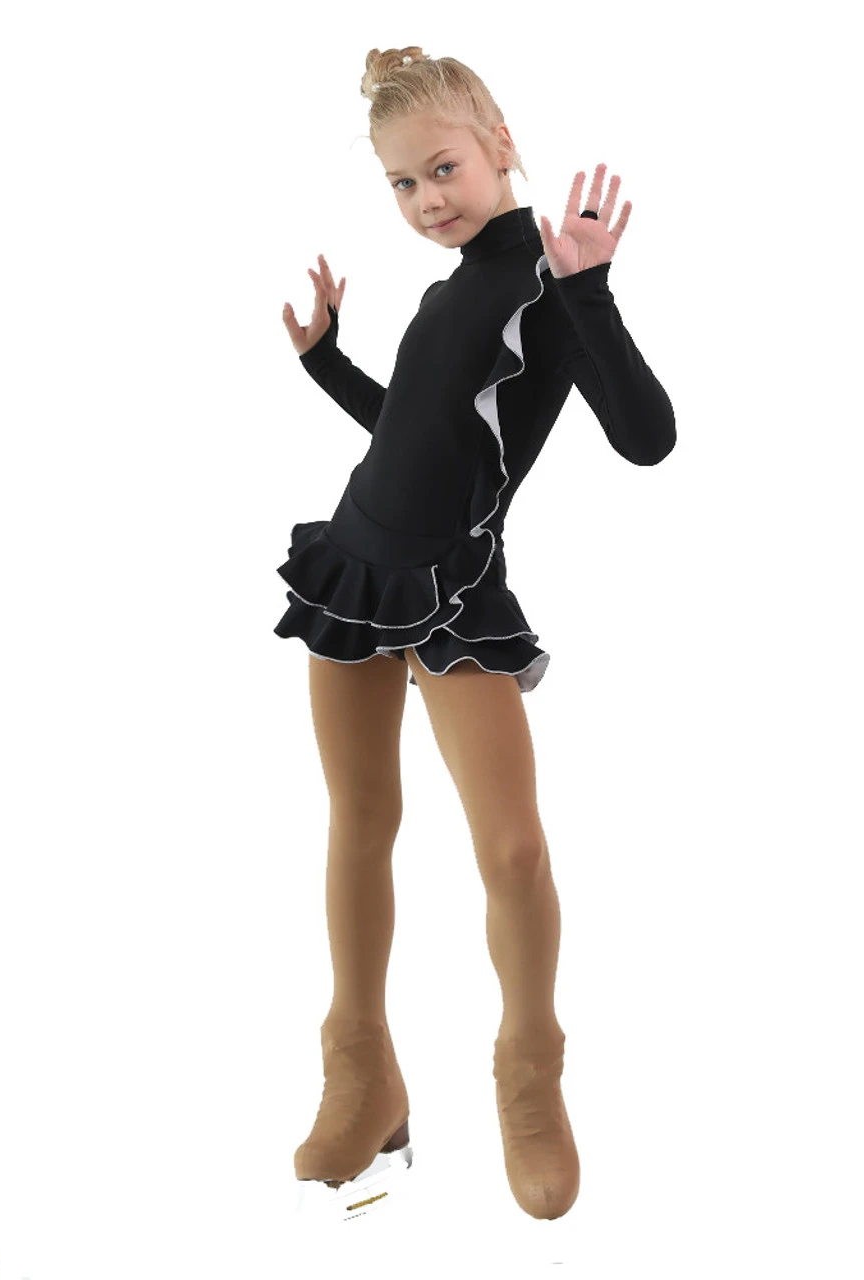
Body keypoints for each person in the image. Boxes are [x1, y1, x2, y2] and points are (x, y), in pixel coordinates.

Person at [278, 46, 676, 1221]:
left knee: (510, 850)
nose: (425, 200)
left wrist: (590, 288)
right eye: (401, 184)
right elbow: (408, 432)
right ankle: (361, 1067)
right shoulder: (444, 293)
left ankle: (529, 1068)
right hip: (354, 565)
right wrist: (324, 361)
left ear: (500, 144)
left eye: (440, 168)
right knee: (359, 823)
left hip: (454, 592)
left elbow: (647, 437)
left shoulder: (547, 281)